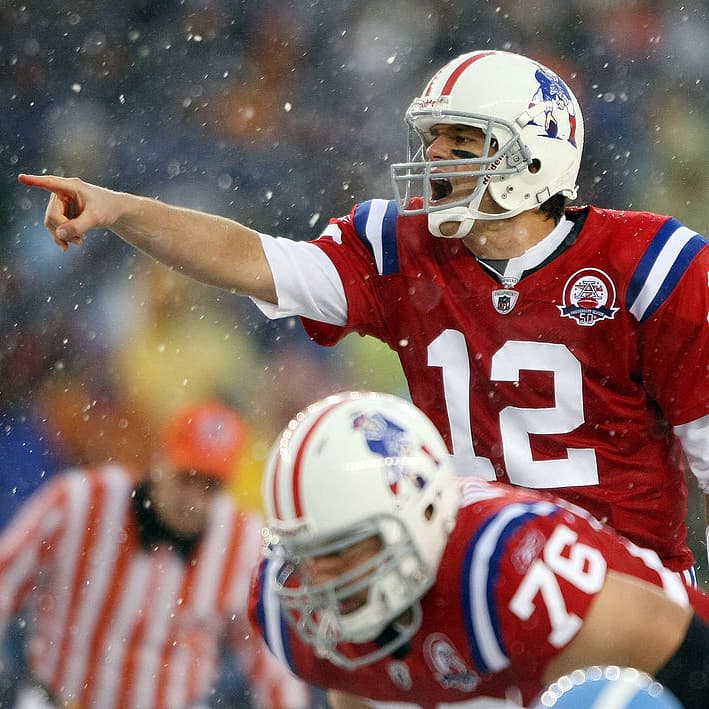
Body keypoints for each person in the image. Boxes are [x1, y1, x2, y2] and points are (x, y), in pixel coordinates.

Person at [18, 49, 709, 579]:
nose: (435, 159)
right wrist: (120, 209)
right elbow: (254, 259)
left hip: (627, 584)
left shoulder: (648, 267)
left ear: (534, 158)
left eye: (462, 143)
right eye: (432, 140)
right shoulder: (401, 250)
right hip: (473, 584)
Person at [248, 390, 709, 709]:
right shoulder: (285, 608)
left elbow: (688, 663)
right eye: (304, 553)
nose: (320, 578)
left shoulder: (503, 570)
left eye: (342, 550)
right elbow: (361, 682)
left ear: (422, 515)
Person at [0, 399, 310, 709]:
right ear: (159, 460)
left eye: (209, 487)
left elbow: (273, 664)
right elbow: (5, 580)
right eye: (186, 478)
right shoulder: (80, 502)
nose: (193, 500)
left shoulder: (244, 543)